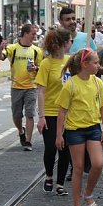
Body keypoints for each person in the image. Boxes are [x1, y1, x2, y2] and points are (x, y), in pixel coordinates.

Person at [56, 48, 103, 206]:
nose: (98, 66)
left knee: (98, 163)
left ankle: (88, 193)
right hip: (75, 130)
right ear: (84, 64)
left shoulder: (97, 82)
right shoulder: (71, 84)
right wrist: (59, 135)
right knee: (78, 168)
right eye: (95, 63)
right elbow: (62, 111)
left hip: (93, 128)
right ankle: (76, 205)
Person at [35, 28, 72, 196]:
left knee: (65, 148)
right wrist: (41, 116)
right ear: (61, 44)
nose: (71, 43)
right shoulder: (46, 64)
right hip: (50, 113)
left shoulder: (70, 61)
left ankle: (60, 183)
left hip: (68, 113)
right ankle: (49, 175)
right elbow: (41, 91)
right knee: (51, 147)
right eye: (69, 40)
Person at [0, 23, 44, 151]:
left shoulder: (37, 51)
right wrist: (0, 47)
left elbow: (42, 68)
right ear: (25, 34)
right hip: (16, 86)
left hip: (31, 86)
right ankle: (20, 130)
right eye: (33, 34)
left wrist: (36, 68)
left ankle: (28, 141)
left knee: (30, 114)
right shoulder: (13, 48)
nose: (34, 36)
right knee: (16, 115)